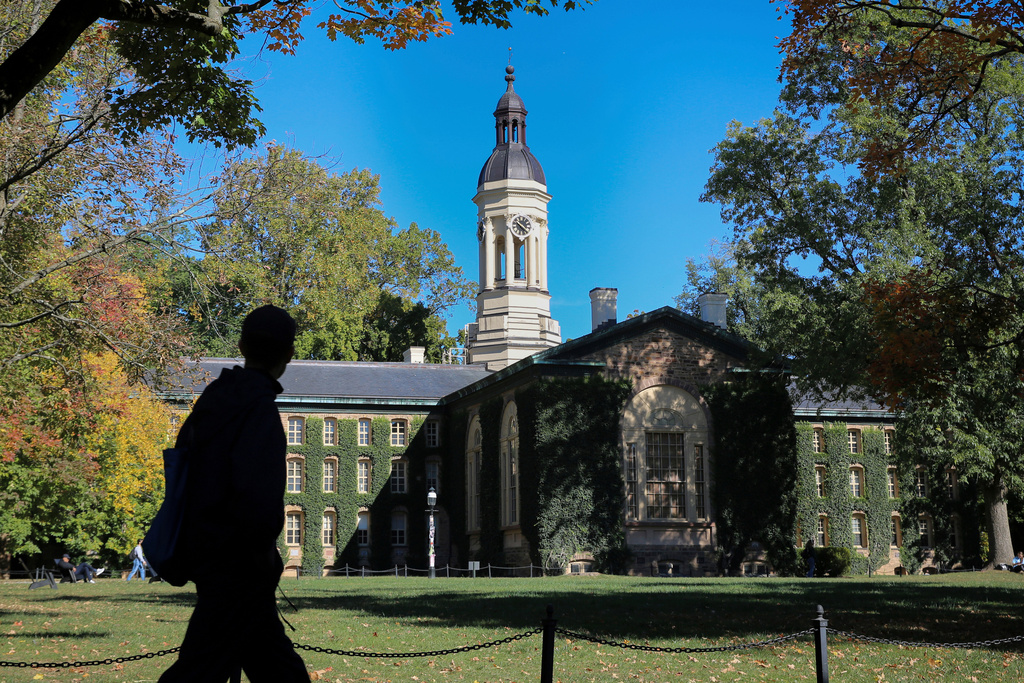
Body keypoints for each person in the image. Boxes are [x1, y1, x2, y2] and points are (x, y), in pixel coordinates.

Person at [158, 305, 308, 682]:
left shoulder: (212, 402)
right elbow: (255, 503)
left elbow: (182, 474)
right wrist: (264, 558)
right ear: (289, 355)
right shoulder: (258, 413)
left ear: (241, 345)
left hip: (211, 559)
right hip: (240, 570)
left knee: (217, 664)